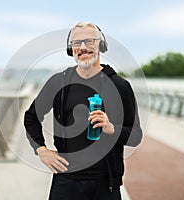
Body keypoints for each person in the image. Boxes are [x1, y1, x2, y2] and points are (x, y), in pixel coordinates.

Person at [24, 22, 142, 200]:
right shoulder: (58, 82)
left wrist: (112, 129)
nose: (83, 47)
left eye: (89, 41)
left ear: (101, 45)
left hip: (105, 184)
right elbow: (31, 117)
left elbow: (135, 136)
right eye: (77, 43)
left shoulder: (120, 86)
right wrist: (41, 150)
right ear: (70, 48)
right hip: (65, 181)